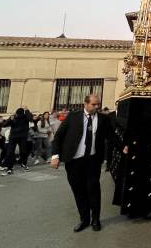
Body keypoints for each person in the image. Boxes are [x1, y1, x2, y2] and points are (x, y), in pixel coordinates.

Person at [51, 94, 120, 232]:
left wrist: (123, 147)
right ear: (85, 104)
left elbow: (111, 136)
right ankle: (84, 219)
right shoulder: (73, 117)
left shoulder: (103, 119)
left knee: (93, 190)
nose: (97, 107)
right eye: (93, 104)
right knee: (78, 191)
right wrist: (55, 156)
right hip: (74, 161)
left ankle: (96, 219)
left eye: (98, 104)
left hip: (93, 161)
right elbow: (58, 136)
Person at [2, 106, 33, 175]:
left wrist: (27, 110)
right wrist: (10, 119)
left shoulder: (25, 117)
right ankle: (10, 167)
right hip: (14, 137)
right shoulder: (14, 117)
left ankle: (23, 163)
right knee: (11, 152)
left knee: (23, 151)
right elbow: (4, 125)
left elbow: (30, 119)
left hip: (22, 137)